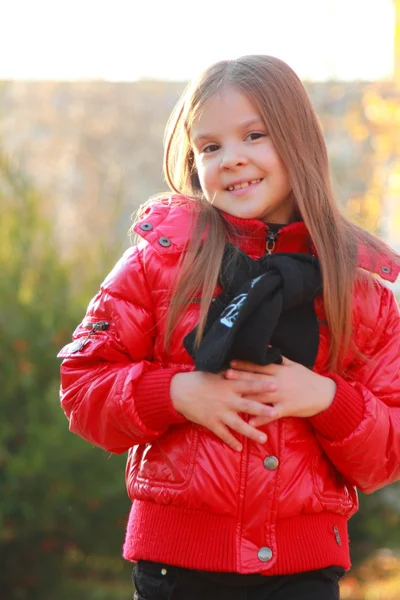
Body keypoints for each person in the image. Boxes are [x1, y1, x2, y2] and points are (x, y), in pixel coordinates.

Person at [58, 55, 400, 600]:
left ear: (298, 141)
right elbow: (81, 387)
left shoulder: (357, 288)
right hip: (177, 569)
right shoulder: (158, 262)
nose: (232, 159)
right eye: (210, 146)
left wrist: (325, 399)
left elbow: (388, 452)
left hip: (303, 573)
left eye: (254, 135)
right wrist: (175, 393)